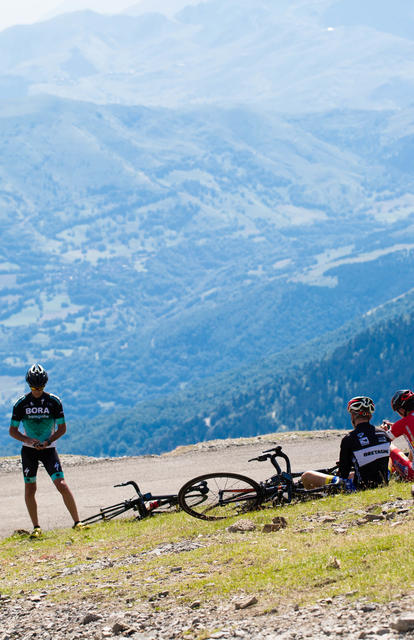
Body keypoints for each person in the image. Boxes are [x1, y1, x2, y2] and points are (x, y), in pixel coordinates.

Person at [9, 363, 86, 537]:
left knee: (62, 485)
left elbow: (62, 428)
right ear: (29, 385)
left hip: (49, 449)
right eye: (34, 387)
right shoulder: (21, 404)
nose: (37, 390)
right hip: (29, 451)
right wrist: (29, 440)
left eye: (40, 387)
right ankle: (36, 527)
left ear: (45, 384)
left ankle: (77, 522)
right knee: (30, 488)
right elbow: (12, 431)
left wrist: (48, 441)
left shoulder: (54, 402)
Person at [301, 396, 391, 491]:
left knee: (307, 476)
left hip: (359, 489)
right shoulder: (383, 434)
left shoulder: (349, 438)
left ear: (352, 416)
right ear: (370, 416)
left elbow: (343, 474)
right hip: (383, 484)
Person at [381, 389, 414, 481]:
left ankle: (385, 477)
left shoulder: (403, 423)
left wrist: (384, 432)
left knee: (389, 446)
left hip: (413, 475)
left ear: (402, 409)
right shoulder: (404, 425)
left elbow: (384, 440)